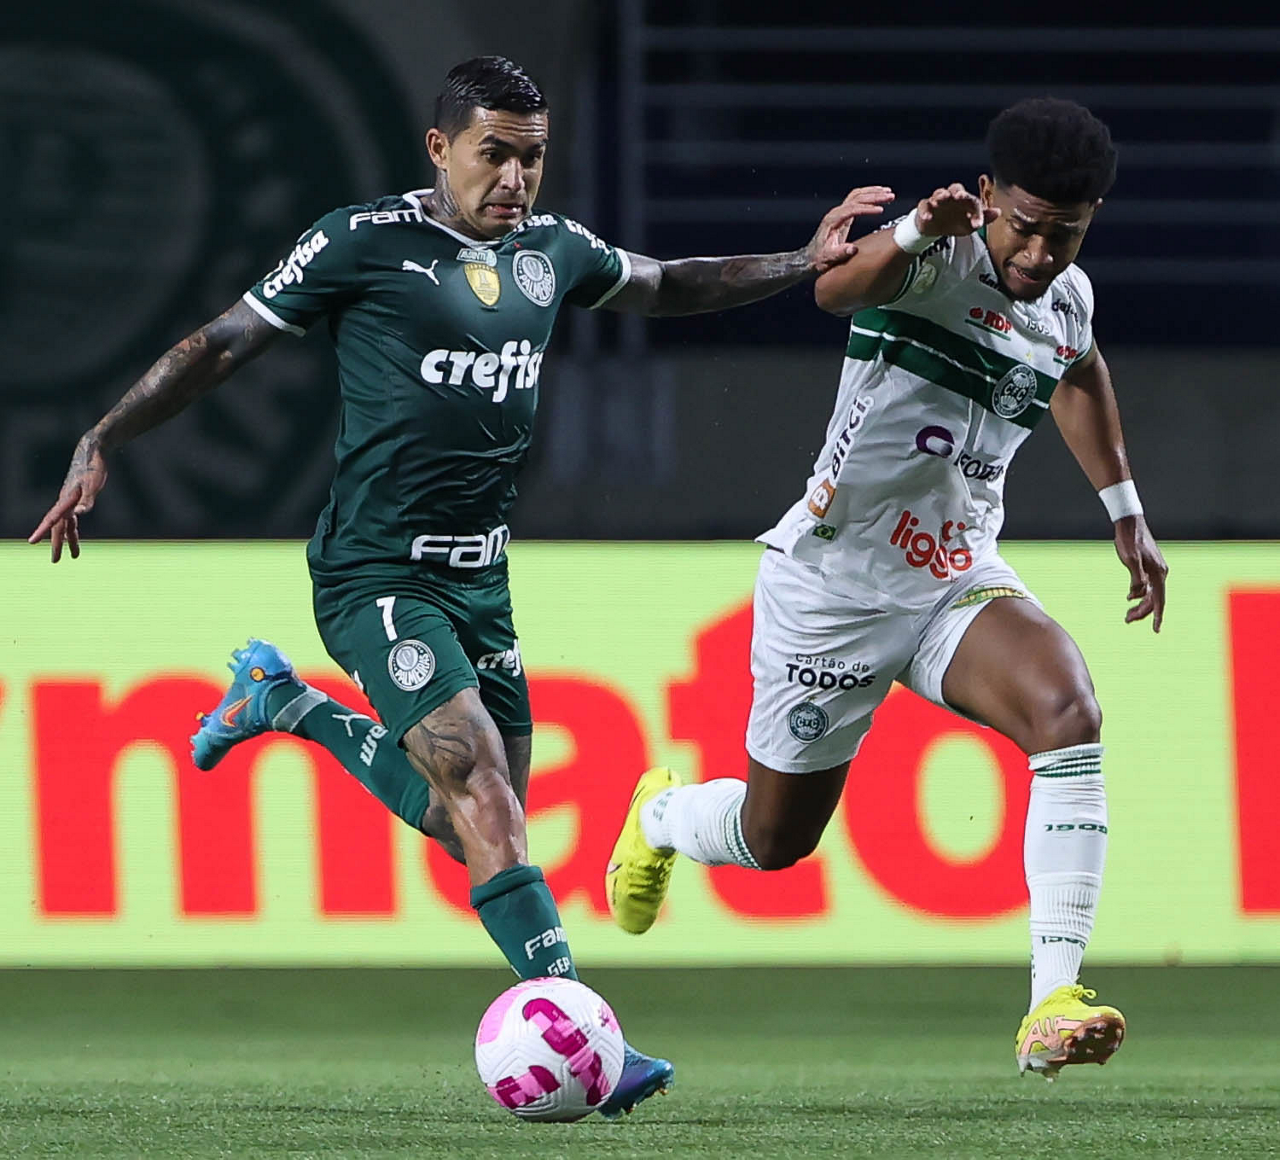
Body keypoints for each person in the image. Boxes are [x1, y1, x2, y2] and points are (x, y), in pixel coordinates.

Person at [28, 55, 892, 1115]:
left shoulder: (552, 251)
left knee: (474, 822)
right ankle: (585, 1029)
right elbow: (222, 345)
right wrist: (104, 437)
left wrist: (802, 259)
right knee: (480, 786)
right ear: (440, 148)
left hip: (481, 576)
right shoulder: (362, 241)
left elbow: (671, 284)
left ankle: (286, 703)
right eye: (494, 154)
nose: (515, 179)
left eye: (533, 157)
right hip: (375, 570)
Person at [605, 97, 1168, 1081]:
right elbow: (834, 289)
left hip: (954, 575)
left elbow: (1079, 373)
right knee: (773, 838)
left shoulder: (1066, 296)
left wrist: (1123, 508)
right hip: (833, 586)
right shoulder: (937, 257)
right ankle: (661, 817)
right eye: (1025, 226)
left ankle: (1051, 1000)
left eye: (1066, 234)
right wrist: (911, 227)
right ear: (986, 196)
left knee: (1066, 711)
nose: (1040, 252)